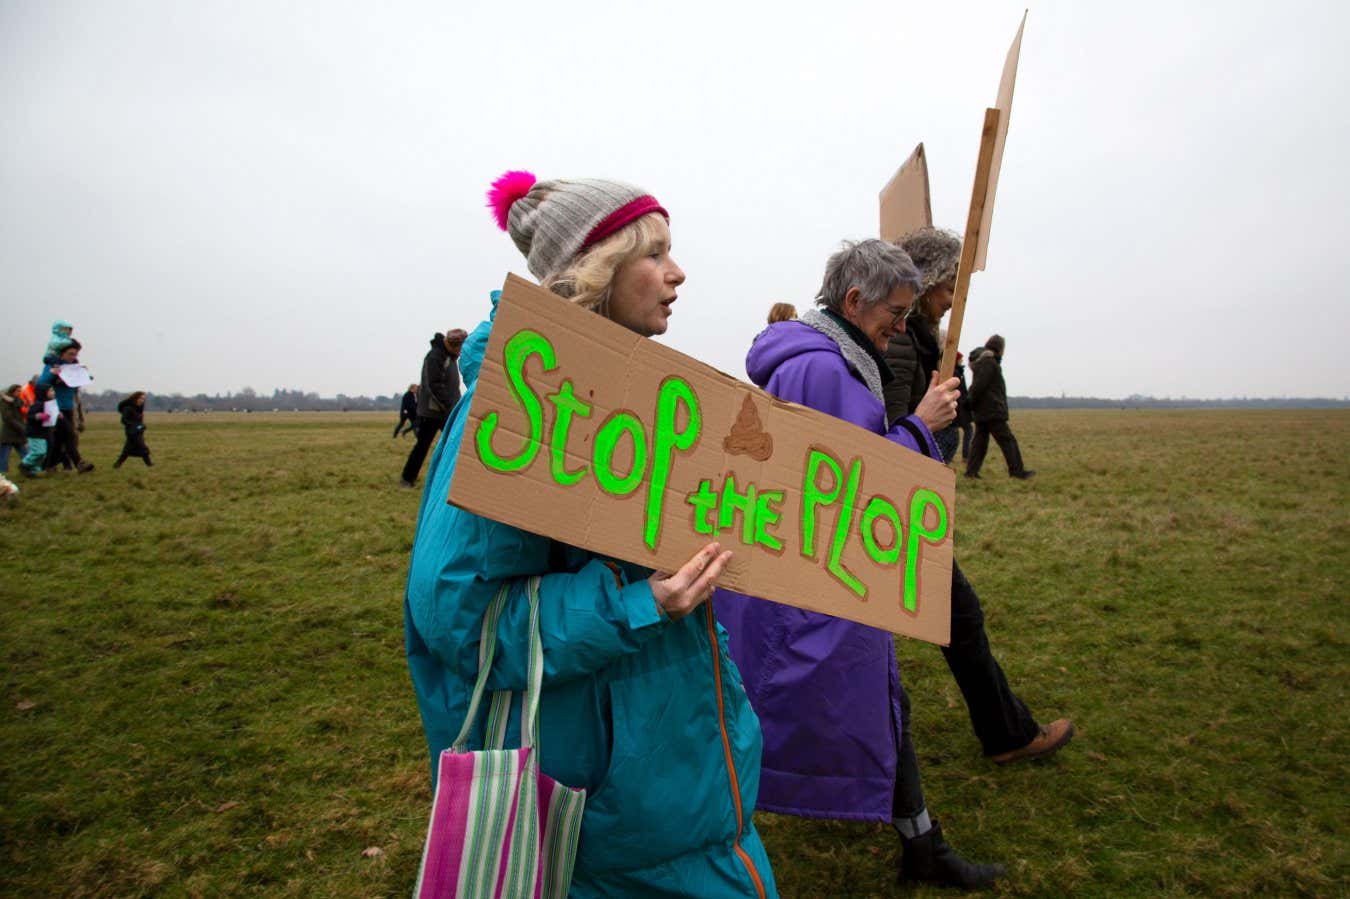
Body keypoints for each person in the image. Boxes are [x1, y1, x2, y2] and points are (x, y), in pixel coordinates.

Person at [405, 170, 776, 898]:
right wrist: (641, 602)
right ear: (595, 271)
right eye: (655, 252)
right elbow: (462, 620)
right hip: (600, 811)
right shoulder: (511, 413)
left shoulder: (636, 402)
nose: (678, 272)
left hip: (682, 783)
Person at [715, 239, 1003, 890]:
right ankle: (721, 830)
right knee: (845, 704)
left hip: (810, 572)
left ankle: (920, 840)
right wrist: (924, 426)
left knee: (879, 700)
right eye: (895, 313)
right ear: (853, 301)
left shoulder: (825, 355)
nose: (902, 326)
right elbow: (854, 486)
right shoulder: (823, 370)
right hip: (820, 579)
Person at [879, 231, 1070, 767]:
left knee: (958, 620)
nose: (952, 296)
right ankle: (1007, 735)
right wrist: (934, 431)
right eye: (949, 284)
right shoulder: (900, 343)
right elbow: (892, 434)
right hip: (894, 510)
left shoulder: (921, 341)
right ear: (926, 283)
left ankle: (1005, 731)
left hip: (906, 507)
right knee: (957, 620)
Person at [398, 329, 466, 487]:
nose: (460, 352)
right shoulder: (436, 357)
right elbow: (433, 386)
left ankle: (451, 481)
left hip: (444, 411)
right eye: (459, 348)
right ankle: (407, 479)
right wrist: (450, 407)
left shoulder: (449, 357)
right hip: (433, 413)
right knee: (422, 446)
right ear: (452, 345)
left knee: (454, 445)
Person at [966, 334, 1035, 479]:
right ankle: (1017, 471)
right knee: (1007, 441)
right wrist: (970, 400)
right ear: (999, 348)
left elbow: (978, 386)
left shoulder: (984, 362)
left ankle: (971, 473)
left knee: (980, 443)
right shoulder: (989, 363)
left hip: (983, 411)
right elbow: (980, 386)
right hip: (991, 410)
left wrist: (971, 402)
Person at [36, 341, 93, 473]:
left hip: (68, 407)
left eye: (75, 354)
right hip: (55, 408)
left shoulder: (74, 367)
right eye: (70, 354)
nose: (72, 357)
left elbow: (74, 386)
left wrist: (84, 376)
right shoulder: (53, 366)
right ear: (62, 354)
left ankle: (47, 466)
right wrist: (53, 374)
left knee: (59, 440)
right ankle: (79, 463)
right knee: (69, 435)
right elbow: (41, 384)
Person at [21, 387, 56, 476]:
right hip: (34, 433)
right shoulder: (38, 404)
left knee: (43, 454)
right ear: (44, 393)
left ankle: (33, 470)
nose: (53, 392)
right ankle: (24, 464)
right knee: (39, 452)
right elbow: (30, 416)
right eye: (51, 391)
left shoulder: (49, 404)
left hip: (43, 433)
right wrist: (38, 416)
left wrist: (57, 415)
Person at [114, 392, 153, 468]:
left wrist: (142, 425)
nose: (142, 400)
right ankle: (149, 465)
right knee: (142, 447)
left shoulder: (139, 407)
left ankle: (117, 464)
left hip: (138, 431)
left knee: (127, 449)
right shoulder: (128, 408)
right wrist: (133, 426)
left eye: (143, 399)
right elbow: (123, 420)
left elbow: (139, 420)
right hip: (131, 432)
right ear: (135, 398)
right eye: (141, 398)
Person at [1, 385, 25, 495]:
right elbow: (8, 418)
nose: (19, 393)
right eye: (18, 391)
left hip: (17, 433)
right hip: (9, 433)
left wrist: (12, 400)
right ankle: (2, 474)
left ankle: (29, 469)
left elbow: (21, 403)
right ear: (12, 391)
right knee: (4, 455)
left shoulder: (16, 401)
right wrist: (21, 428)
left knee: (24, 453)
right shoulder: (4, 403)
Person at [954, 349, 974, 460]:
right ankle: (965, 457)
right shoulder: (957, 372)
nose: (962, 361)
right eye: (960, 359)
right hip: (960, 409)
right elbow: (961, 392)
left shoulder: (959, 371)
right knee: (968, 430)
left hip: (961, 409)